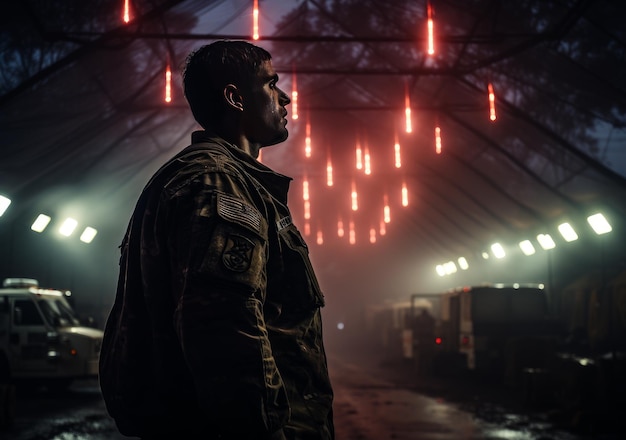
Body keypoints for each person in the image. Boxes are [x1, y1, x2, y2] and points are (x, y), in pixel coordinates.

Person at [99, 40, 334, 440]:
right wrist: (265, 430)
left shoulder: (207, 180)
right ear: (234, 97)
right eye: (271, 83)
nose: (286, 97)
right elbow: (226, 330)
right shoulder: (218, 186)